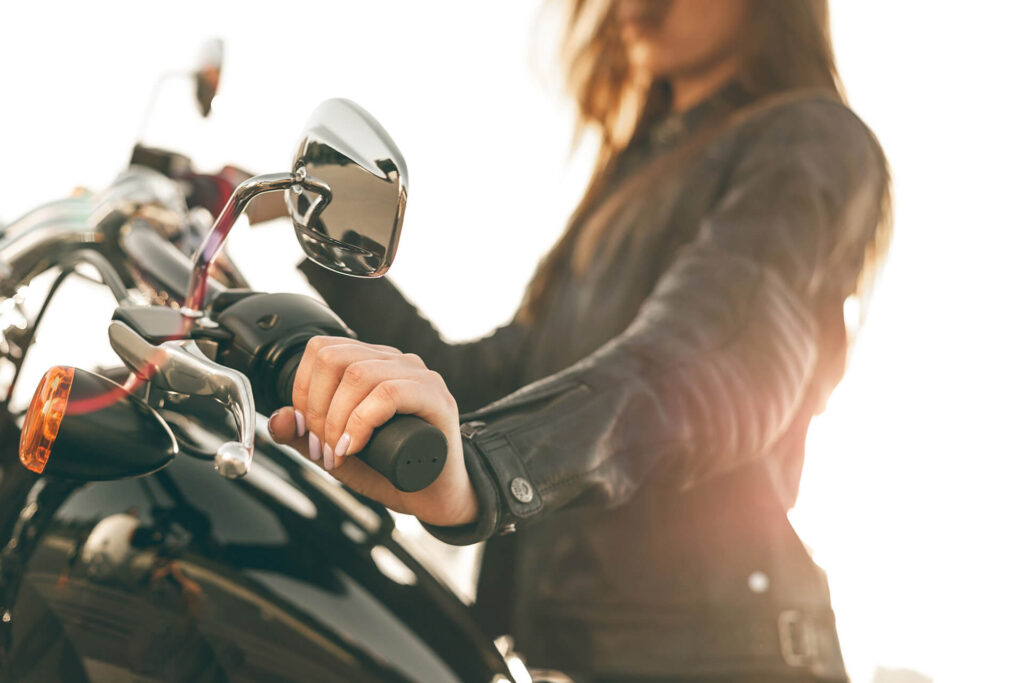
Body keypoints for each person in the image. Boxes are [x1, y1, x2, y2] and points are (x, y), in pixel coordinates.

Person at [268, 0, 891, 680]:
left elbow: (710, 358)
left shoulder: (807, 139)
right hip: (575, 657)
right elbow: (483, 379)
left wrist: (488, 474)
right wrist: (313, 265)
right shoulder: (636, 174)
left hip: (720, 657)